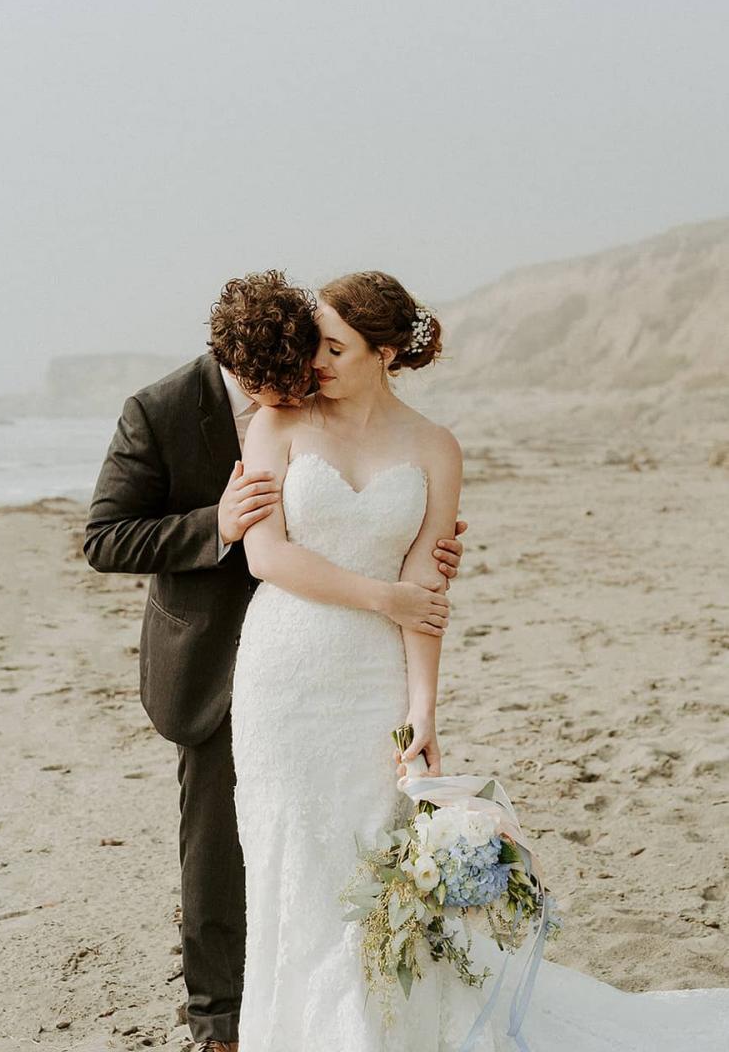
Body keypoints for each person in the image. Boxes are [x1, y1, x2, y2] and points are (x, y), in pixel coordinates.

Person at [230, 270, 729, 1050]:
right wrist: (381, 597)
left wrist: (422, 708)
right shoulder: (278, 422)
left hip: (373, 678)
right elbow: (267, 557)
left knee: (375, 854)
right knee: (291, 857)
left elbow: (428, 586)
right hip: (283, 672)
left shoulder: (433, 446)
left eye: (335, 347)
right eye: (314, 344)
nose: (315, 362)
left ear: (385, 351)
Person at [83, 269, 467, 1052]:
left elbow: (418, 572)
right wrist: (215, 523)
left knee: (361, 841)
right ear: (230, 364)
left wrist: (415, 606)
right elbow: (104, 539)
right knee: (226, 846)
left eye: (311, 360)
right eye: (264, 380)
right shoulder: (162, 412)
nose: (290, 386)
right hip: (231, 650)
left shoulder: (398, 429)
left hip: (355, 657)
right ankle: (222, 1023)